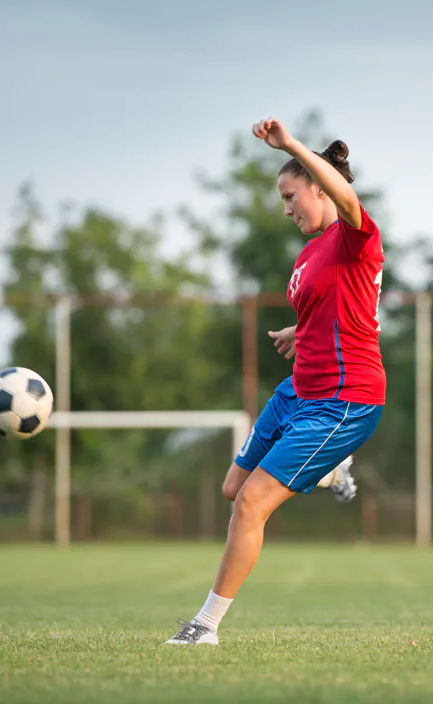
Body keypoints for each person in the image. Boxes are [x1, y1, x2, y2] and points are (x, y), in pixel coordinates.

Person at [164, 116, 386, 645]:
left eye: (292, 195)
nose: (287, 208)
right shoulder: (310, 252)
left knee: (252, 503)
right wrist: (298, 329)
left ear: (318, 185)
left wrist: (289, 145)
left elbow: (347, 201)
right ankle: (332, 470)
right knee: (233, 489)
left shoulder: (356, 236)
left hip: (344, 401)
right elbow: (339, 307)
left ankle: (205, 627)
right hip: (298, 392)